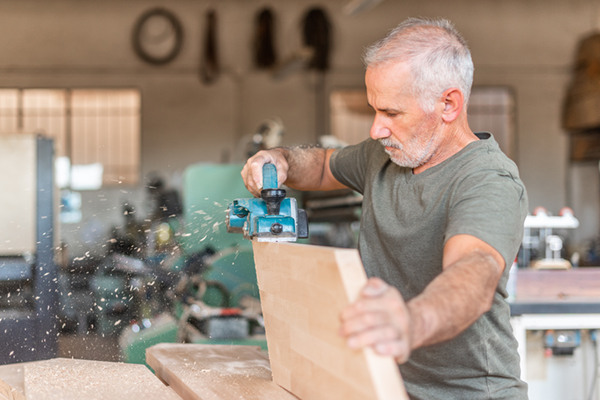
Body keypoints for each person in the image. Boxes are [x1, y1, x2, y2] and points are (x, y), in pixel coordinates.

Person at [241, 17, 528, 400]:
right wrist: (279, 160)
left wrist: (409, 323)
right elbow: (325, 164)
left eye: (391, 113)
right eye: (375, 110)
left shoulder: (488, 180)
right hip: (385, 387)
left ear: (448, 104)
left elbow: (474, 272)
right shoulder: (384, 156)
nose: (376, 129)